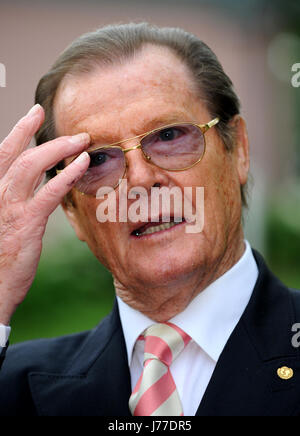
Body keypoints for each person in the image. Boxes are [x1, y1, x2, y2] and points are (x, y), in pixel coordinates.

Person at [0, 22, 299, 417]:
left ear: (238, 150)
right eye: (100, 159)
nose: (139, 180)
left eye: (170, 135)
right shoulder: (14, 387)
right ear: (70, 210)